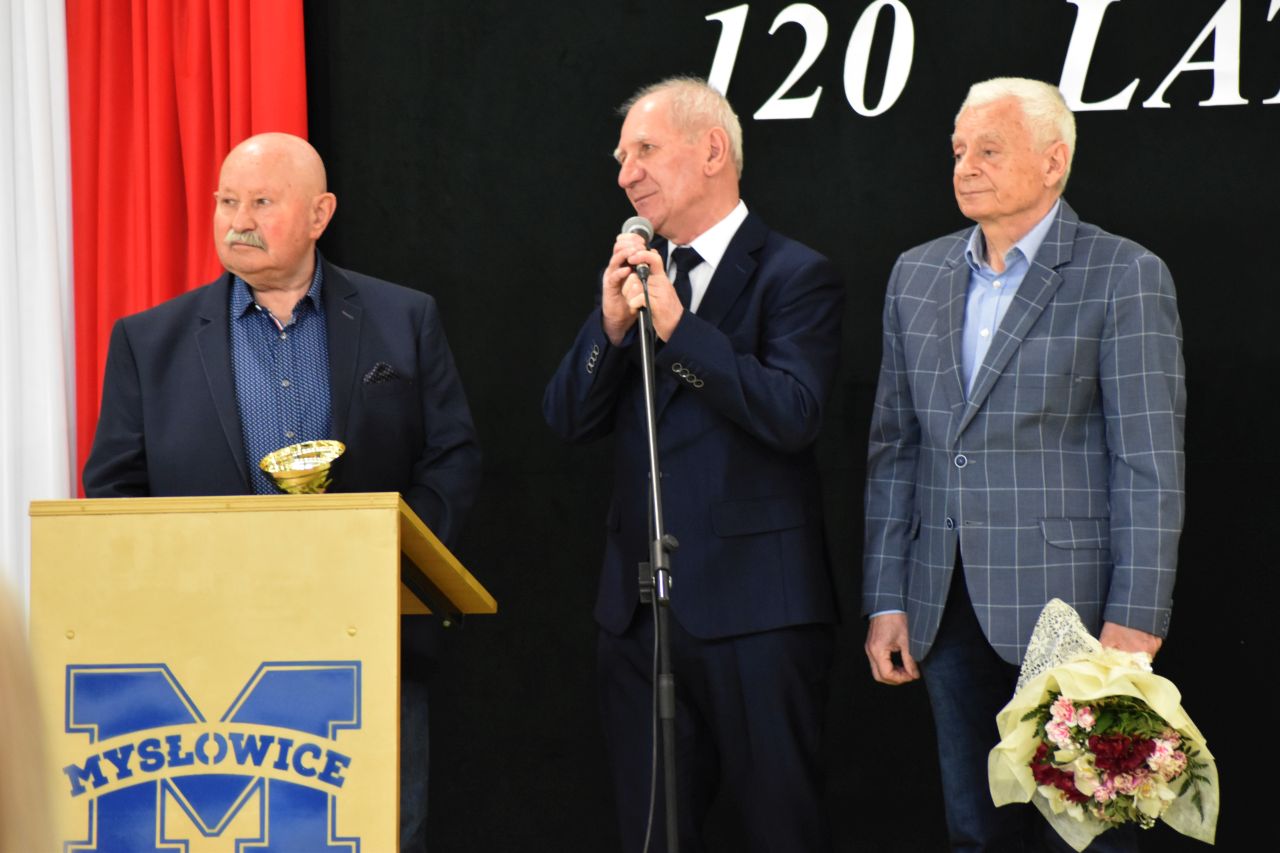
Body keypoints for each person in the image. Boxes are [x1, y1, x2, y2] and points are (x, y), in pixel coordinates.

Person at [82, 132, 482, 852]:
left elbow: (451, 458)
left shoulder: (404, 317)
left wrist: (386, 563)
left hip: (371, 639)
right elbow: (113, 490)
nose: (239, 221)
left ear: (320, 214)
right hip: (206, 655)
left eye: (262, 202)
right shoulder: (148, 341)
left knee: (383, 832)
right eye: (226, 202)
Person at [862, 77, 1185, 852]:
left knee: (1093, 835)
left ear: (1053, 161)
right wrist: (887, 596)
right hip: (945, 604)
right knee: (976, 831)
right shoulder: (915, 275)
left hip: (1078, 614)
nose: (964, 166)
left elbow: (1148, 460)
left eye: (988, 150)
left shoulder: (1123, 273)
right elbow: (895, 447)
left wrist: (1137, 618)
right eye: (958, 151)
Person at [543, 77, 844, 852]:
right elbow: (566, 419)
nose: (626, 174)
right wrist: (609, 327)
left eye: (644, 150)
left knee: (780, 831)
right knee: (653, 835)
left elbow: (794, 413)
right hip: (639, 617)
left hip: (759, 613)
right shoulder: (636, 279)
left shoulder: (794, 274)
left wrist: (682, 332)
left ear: (712, 150)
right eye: (620, 159)